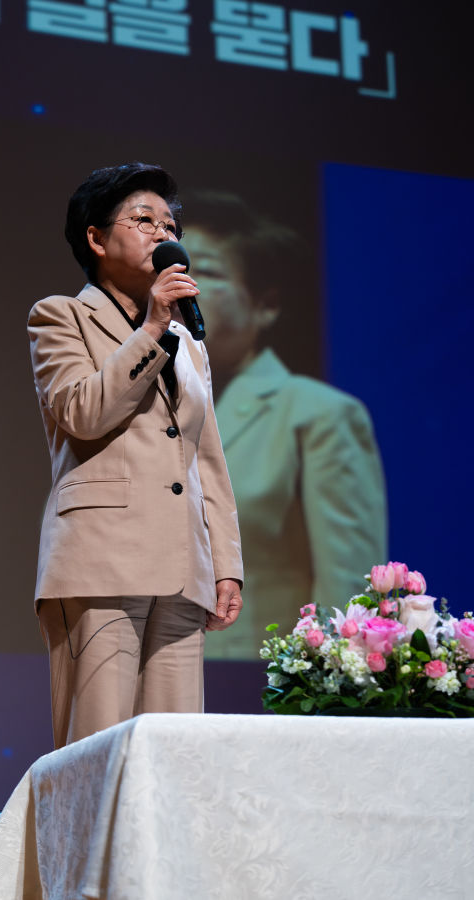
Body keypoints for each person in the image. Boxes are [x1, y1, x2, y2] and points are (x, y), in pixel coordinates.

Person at [28, 164, 243, 746]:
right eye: (143, 219)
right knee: (99, 747)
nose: (161, 232)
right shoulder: (61, 317)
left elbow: (207, 459)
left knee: (173, 750)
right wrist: (151, 328)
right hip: (102, 563)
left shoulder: (188, 342)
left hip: (182, 569)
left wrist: (225, 564)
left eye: (169, 223)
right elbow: (82, 412)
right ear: (96, 239)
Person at [181, 190, 387, 659]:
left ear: (266, 305)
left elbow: (348, 587)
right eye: (172, 271)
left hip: (259, 683)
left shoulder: (319, 413)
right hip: (155, 680)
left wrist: (333, 687)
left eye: (205, 272)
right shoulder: (143, 407)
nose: (181, 285)